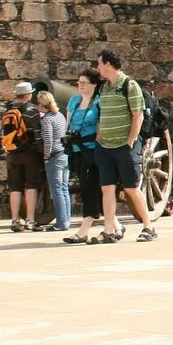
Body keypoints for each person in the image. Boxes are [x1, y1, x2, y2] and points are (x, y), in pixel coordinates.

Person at [94, 47, 156, 243]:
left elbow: (137, 115)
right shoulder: (103, 87)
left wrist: (130, 142)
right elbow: (101, 114)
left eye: (99, 64)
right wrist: (98, 137)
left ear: (108, 64)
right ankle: (109, 229)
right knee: (107, 189)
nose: (98, 68)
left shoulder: (129, 85)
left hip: (124, 145)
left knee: (131, 188)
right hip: (104, 146)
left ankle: (148, 226)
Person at [63, 68, 104, 244]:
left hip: (92, 150)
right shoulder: (73, 101)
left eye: (84, 82)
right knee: (87, 187)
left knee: (89, 189)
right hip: (76, 150)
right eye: (78, 82)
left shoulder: (99, 102)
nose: (79, 85)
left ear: (93, 84)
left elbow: (101, 127)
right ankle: (116, 225)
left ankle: (83, 230)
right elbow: (68, 121)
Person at [1, 80, 42, 231]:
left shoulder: (8, 111)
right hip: (29, 152)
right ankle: (30, 220)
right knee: (31, 185)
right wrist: (42, 151)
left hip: (12, 153)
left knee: (15, 187)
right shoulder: (32, 110)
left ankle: (14, 220)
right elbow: (37, 134)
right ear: (27, 95)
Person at [35, 90, 70, 232]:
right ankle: (66, 219)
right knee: (64, 189)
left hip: (54, 156)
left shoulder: (47, 120)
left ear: (41, 104)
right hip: (64, 155)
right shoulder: (60, 116)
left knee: (56, 191)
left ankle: (61, 223)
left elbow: (48, 140)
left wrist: (46, 155)